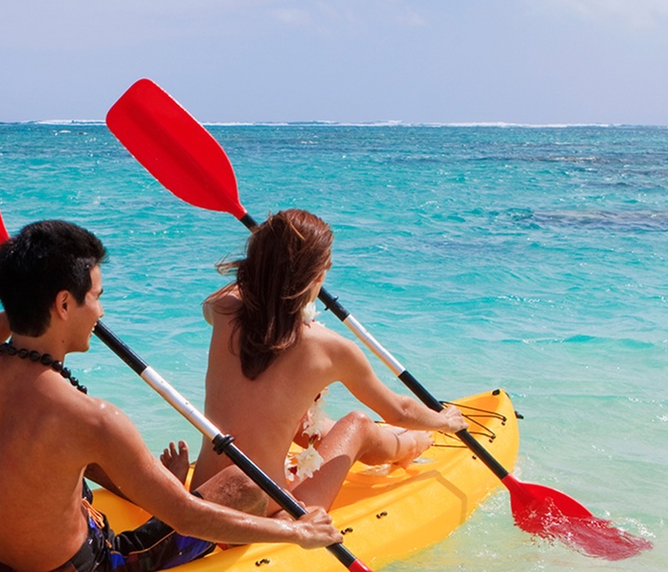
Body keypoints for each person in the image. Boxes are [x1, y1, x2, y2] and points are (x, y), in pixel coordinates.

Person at [0, 220, 342, 572]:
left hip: (7, 560)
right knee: (246, 482)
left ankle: (154, 482)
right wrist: (296, 532)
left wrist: (26, 300)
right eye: (96, 297)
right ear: (64, 305)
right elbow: (185, 516)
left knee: (78, 455)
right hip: (81, 567)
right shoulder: (93, 418)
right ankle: (156, 486)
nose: (100, 312)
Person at [191, 209, 467, 517]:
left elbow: (234, 296)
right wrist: (446, 421)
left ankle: (402, 444)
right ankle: (411, 445)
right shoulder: (330, 349)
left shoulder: (223, 309)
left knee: (302, 419)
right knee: (358, 425)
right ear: (318, 277)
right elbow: (398, 410)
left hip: (202, 496)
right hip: (269, 510)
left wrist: (264, 262)